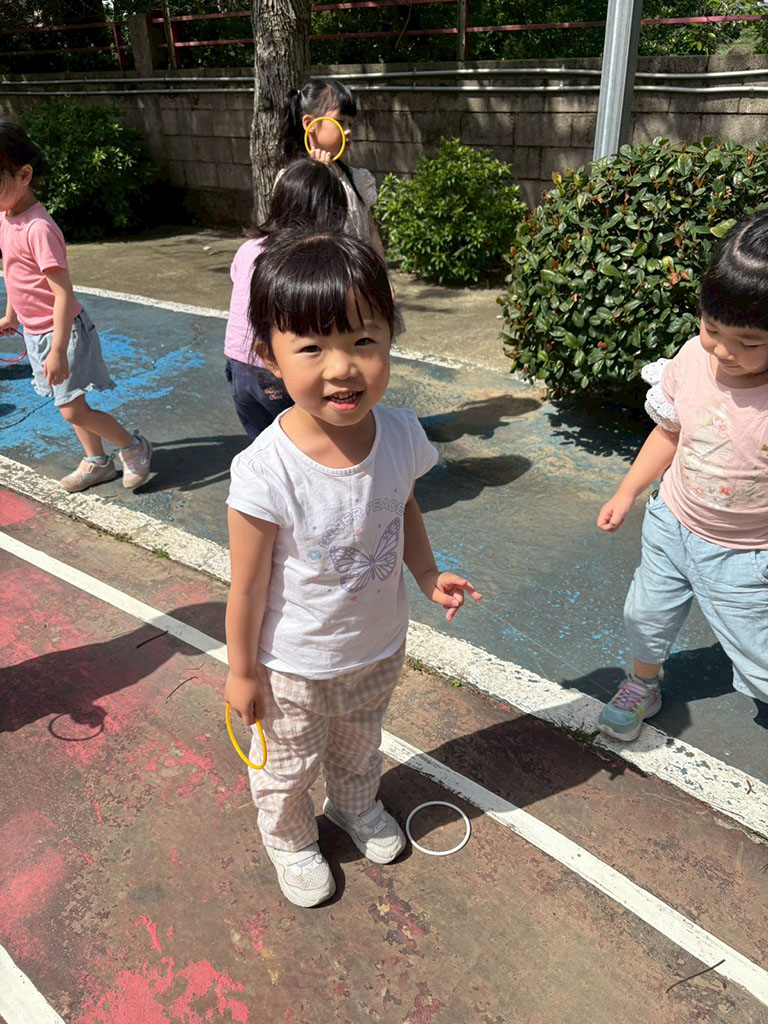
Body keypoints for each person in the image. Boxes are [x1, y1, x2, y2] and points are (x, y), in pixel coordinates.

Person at [224, 232, 481, 907]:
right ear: (268, 356)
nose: (342, 368)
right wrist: (242, 671)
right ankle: (289, 838)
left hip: (377, 646)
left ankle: (353, 805)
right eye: (311, 348)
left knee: (360, 743)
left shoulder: (400, 433)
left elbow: (402, 507)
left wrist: (426, 575)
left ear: (390, 338)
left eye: (364, 340)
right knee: (286, 765)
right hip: (293, 667)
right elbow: (246, 587)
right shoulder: (265, 471)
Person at [596, 213, 768, 741]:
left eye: (749, 341)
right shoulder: (692, 360)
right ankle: (642, 684)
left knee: (759, 651)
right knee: (644, 615)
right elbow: (669, 432)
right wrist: (628, 490)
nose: (724, 350)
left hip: (746, 554)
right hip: (672, 523)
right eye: (712, 329)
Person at [0, 120, 151, 493]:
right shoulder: (6, 217)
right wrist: (11, 315)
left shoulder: (38, 228)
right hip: (38, 332)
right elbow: (15, 274)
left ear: (24, 175)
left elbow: (63, 294)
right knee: (70, 403)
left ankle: (132, 446)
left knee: (70, 407)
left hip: (61, 331)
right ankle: (97, 462)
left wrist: (57, 350)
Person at [225, 160, 348, 440]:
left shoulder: (249, 248)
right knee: (310, 440)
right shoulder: (306, 259)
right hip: (279, 370)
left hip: (238, 366)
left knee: (265, 444)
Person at [280, 77, 385, 256]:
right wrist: (315, 177)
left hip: (359, 272)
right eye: (340, 121)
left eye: (350, 123)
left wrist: (382, 271)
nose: (348, 130)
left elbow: (372, 232)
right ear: (310, 124)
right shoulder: (292, 180)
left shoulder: (357, 179)